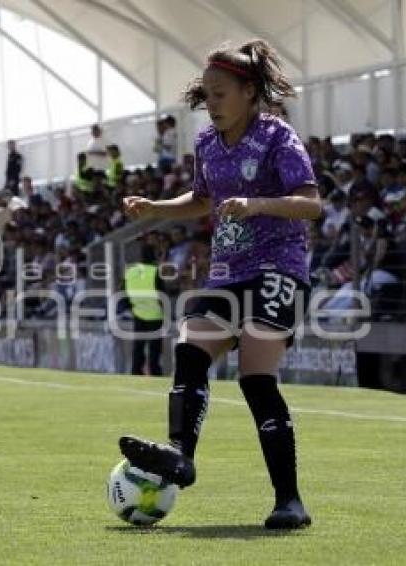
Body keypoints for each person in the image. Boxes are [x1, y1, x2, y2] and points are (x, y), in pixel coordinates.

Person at [120, 39, 321, 530]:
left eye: (220, 93)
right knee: (189, 350)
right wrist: (157, 209)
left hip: (278, 267)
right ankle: (180, 457)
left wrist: (257, 204)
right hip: (227, 270)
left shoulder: (278, 136)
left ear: (250, 91)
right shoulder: (208, 142)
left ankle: (289, 501)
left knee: (255, 378)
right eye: (206, 94)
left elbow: (311, 203)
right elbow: (203, 199)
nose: (211, 103)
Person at [123, 244, 166, 376]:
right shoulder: (154, 272)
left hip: (138, 312)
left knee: (138, 346)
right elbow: (162, 293)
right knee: (154, 348)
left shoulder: (130, 272)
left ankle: (136, 371)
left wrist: (131, 306)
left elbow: (123, 292)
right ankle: (155, 372)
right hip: (155, 314)